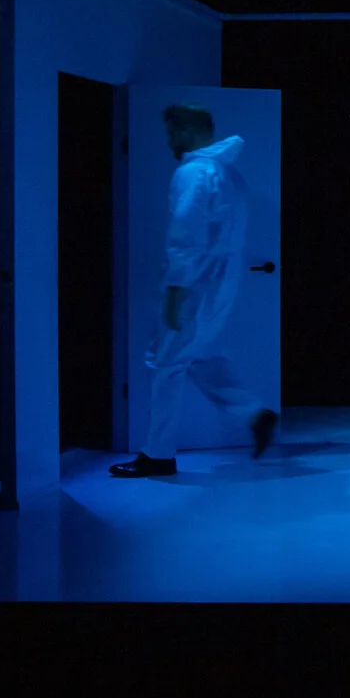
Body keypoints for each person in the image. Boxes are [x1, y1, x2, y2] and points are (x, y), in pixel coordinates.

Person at [112, 104, 277, 477]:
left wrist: (176, 289)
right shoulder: (229, 175)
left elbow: (185, 237)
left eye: (172, 133)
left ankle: (158, 454)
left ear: (186, 131)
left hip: (198, 283)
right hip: (221, 283)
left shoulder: (193, 173)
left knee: (166, 363)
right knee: (200, 354)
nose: (170, 141)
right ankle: (254, 413)